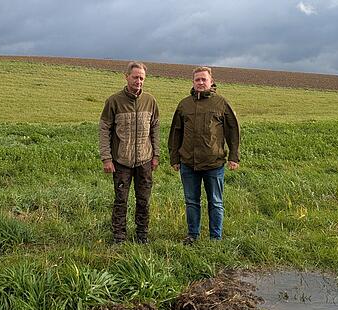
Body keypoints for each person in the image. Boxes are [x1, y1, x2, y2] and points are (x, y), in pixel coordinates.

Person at [168, 66, 240, 244]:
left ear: (211, 81)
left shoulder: (221, 103)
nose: (200, 82)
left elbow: (233, 130)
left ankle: (215, 238)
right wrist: (175, 158)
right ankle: (192, 235)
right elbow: (176, 132)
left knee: (215, 202)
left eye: (204, 79)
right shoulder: (184, 104)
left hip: (213, 163)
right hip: (188, 163)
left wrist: (233, 156)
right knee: (191, 201)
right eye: (197, 80)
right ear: (193, 82)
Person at [99, 61, 161, 244]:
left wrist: (156, 155)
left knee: (144, 200)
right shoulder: (114, 101)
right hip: (121, 161)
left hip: (145, 160)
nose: (138, 81)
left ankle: (142, 235)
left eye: (142, 78)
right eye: (135, 77)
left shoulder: (150, 101)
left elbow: (155, 129)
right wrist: (106, 158)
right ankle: (119, 237)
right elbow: (104, 130)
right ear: (126, 77)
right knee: (121, 200)